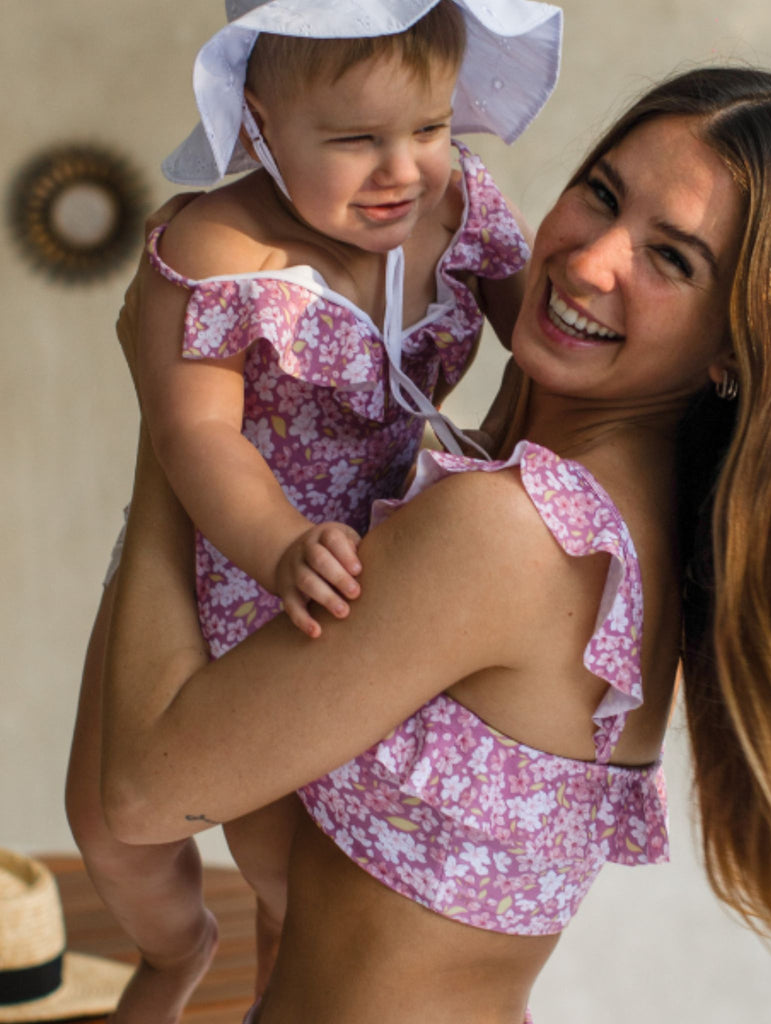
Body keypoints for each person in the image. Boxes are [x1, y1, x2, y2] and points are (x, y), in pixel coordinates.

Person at [100, 67, 771, 1023]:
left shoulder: (516, 534)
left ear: (740, 347)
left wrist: (181, 405)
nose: (590, 262)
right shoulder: (627, 532)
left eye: (673, 259)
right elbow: (330, 878)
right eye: (601, 194)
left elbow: (142, 794)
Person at [65, 1, 561, 1020]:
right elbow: (196, 437)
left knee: (286, 852)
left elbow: (546, 345)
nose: (402, 171)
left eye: (428, 126)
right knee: (113, 828)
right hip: (241, 547)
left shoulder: (457, 206)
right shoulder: (217, 246)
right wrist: (278, 542)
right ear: (258, 122)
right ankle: (173, 951)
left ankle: (285, 991)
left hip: (375, 559)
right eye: (353, 140)